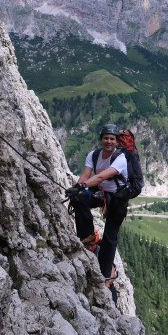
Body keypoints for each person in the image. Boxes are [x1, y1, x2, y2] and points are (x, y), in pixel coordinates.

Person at [66, 124, 129, 301]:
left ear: (116, 142)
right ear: (101, 139)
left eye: (112, 139)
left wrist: (82, 186)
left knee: (110, 236)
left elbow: (102, 176)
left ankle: (104, 273)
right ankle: (88, 239)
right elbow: (86, 175)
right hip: (100, 194)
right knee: (79, 198)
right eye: (106, 138)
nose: (108, 141)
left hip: (117, 198)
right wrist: (76, 189)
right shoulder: (93, 155)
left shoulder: (120, 158)